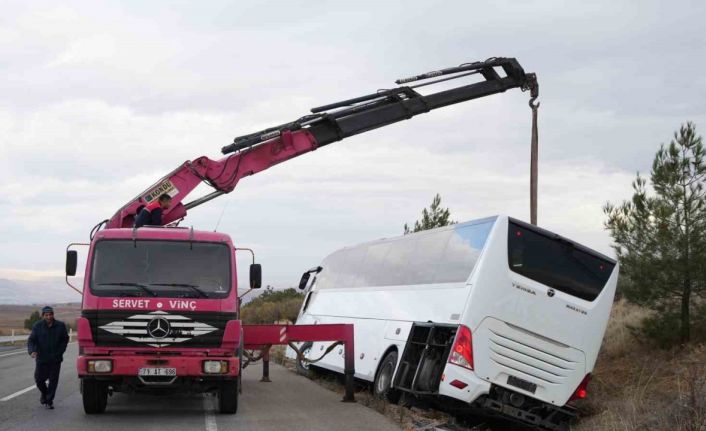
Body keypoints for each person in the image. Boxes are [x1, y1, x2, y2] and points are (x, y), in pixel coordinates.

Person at [27, 306, 69, 409]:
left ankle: (49, 401)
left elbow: (65, 340)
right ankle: (45, 394)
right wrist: (32, 351)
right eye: (47, 315)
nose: (49, 317)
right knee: (39, 380)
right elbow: (31, 340)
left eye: (51, 314)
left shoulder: (60, 326)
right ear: (43, 316)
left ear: (53, 315)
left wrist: (60, 352)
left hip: (55, 359)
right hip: (42, 358)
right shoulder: (37, 326)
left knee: (53, 381)